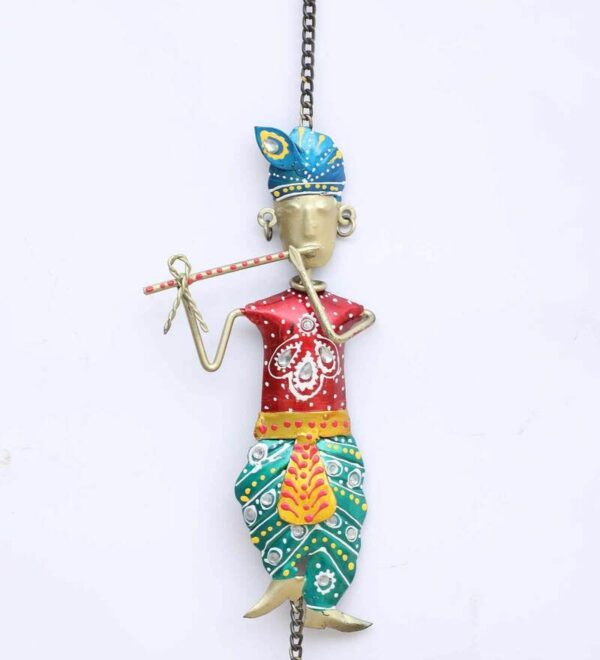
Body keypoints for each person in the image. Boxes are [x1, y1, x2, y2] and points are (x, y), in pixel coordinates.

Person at [180, 125, 376, 631]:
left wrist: (310, 289)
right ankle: (285, 576)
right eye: (294, 218)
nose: (308, 231)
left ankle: (322, 602)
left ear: (344, 221)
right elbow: (211, 359)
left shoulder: (342, 308)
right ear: (272, 223)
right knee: (256, 487)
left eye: (321, 218)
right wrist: (188, 299)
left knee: (342, 507)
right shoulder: (267, 310)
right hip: (275, 431)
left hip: (331, 432)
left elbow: (347, 327)